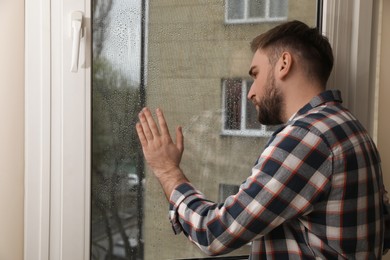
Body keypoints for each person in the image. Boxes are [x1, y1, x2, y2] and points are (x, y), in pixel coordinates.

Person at [136, 20, 389, 259]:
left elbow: (213, 232)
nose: (251, 93)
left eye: (255, 74)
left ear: (284, 64)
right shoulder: (350, 127)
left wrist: (167, 169)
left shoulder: (307, 138)